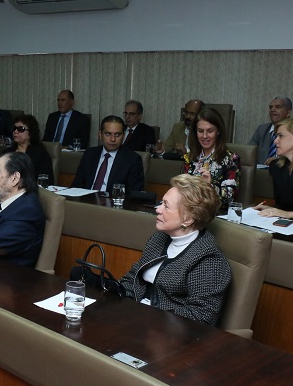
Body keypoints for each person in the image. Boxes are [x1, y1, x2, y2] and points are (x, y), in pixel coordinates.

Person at [119, 174, 232, 326]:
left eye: (166, 206)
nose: (158, 209)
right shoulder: (158, 238)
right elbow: (132, 278)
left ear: (188, 219)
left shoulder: (208, 260)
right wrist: (116, 292)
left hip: (168, 332)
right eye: (161, 203)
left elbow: (202, 317)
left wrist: (148, 311)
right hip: (135, 319)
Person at [71, 115, 144, 194]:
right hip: (86, 199)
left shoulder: (132, 160)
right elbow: (76, 185)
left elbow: (134, 194)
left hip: (112, 201)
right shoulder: (89, 154)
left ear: (123, 136)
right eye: (108, 134)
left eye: (117, 135)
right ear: (100, 135)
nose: (113, 139)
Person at [183, 108, 240, 208]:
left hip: (215, 212)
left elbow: (230, 198)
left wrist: (210, 186)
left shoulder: (231, 159)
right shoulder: (190, 157)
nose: (204, 136)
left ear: (218, 131)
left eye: (210, 131)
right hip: (190, 209)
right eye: (200, 131)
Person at [3, 114, 54, 184]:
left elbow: (46, 180)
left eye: (20, 129)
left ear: (31, 133)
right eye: (14, 128)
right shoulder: (6, 153)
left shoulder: (41, 154)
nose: (15, 131)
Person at [248, 96, 293, 165]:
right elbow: (249, 152)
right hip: (261, 170)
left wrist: (280, 160)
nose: (272, 110)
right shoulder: (261, 130)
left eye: (278, 107)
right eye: (271, 107)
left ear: (288, 113)